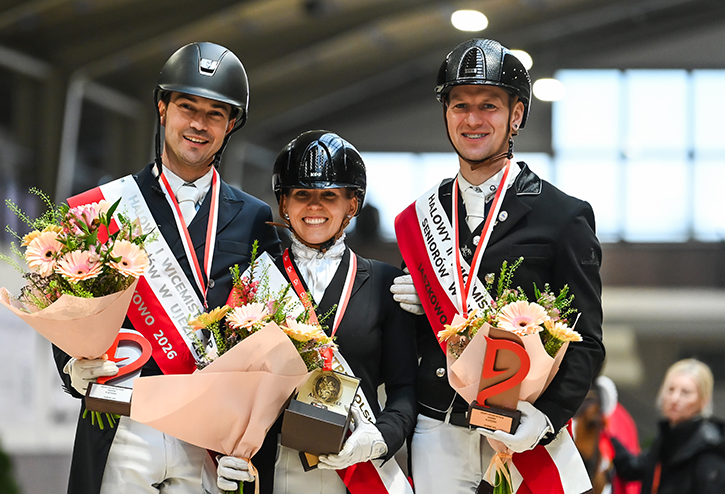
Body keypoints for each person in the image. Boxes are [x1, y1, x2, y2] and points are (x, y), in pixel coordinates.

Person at [52, 41, 280, 494]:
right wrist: (70, 366)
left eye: (215, 113)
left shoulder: (255, 218)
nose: (198, 123)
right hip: (123, 418)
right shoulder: (106, 207)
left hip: (207, 432)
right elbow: (70, 307)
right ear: (162, 108)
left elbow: (272, 329)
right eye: (186, 107)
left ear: (231, 124)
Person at [390, 37, 605, 493]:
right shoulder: (424, 215)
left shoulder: (563, 216)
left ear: (517, 115)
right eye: (460, 105)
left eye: (488, 105)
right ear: (446, 113)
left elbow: (586, 341)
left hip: (520, 430)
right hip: (437, 431)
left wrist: (546, 419)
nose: (472, 119)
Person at [216, 130, 418, 494]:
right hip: (271, 469)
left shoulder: (384, 284)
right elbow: (229, 385)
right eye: (301, 195)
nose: (314, 207)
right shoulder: (256, 281)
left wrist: (377, 439)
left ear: (352, 205)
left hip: (355, 465)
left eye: (329, 196)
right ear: (283, 203)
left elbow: (404, 389)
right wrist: (220, 451)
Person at [611, 358, 725, 494]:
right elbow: (633, 468)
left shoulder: (709, 449)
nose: (674, 399)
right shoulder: (667, 438)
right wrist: (605, 433)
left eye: (685, 392)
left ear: (703, 401)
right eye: (670, 389)